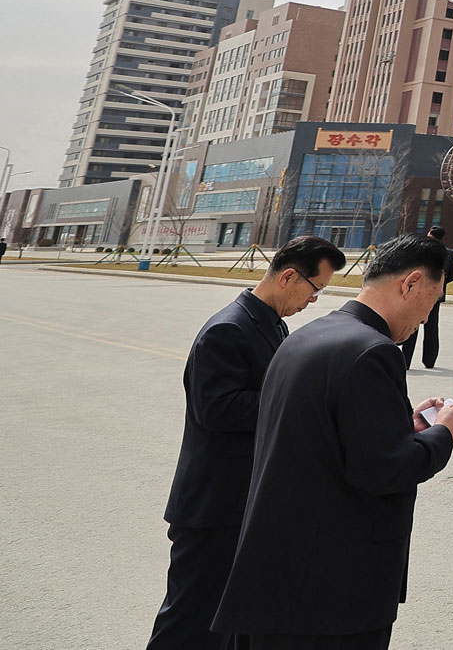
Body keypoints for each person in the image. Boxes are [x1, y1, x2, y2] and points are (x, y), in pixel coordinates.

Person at [212, 232, 453, 650]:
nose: (427, 318)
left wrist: (402, 426)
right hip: (331, 589)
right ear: (409, 284)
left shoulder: (311, 334)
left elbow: (326, 434)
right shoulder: (374, 351)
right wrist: (446, 431)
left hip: (281, 568)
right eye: (433, 300)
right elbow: (386, 469)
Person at [146, 236, 345, 650]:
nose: (315, 300)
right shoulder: (227, 329)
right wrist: (297, 400)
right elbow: (216, 409)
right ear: (289, 276)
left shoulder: (273, 324)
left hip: (246, 502)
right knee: (189, 620)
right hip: (213, 507)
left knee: (230, 621)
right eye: (316, 288)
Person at [399, 227, 453, 370]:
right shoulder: (449, 254)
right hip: (436, 296)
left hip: (418, 294)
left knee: (413, 325)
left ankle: (405, 361)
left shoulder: (421, 252)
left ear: (430, 235)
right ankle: (429, 361)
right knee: (432, 327)